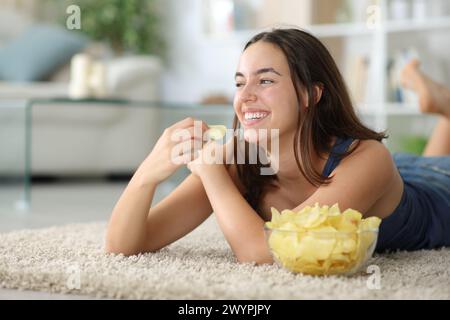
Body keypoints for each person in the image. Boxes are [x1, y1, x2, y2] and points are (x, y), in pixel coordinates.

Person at [105, 28, 450, 263]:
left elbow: (268, 253)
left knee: (431, 169)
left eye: (266, 80)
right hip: (400, 173)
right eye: (240, 83)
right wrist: (148, 172)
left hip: (437, 189)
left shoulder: (366, 157)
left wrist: (211, 174)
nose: (246, 97)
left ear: (309, 94)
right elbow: (122, 245)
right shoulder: (240, 158)